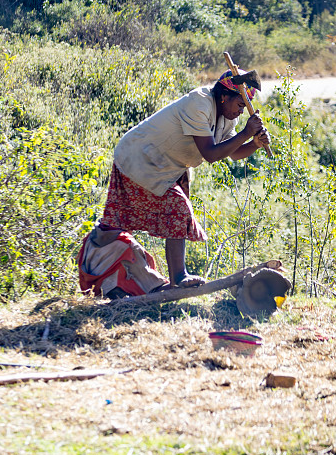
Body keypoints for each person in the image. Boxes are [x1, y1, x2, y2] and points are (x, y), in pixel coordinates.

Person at [98, 69, 270, 290]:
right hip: (140, 156)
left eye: (243, 109)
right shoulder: (199, 102)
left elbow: (232, 151)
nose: (240, 113)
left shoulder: (227, 118)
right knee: (175, 209)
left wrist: (253, 144)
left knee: (141, 219)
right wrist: (246, 134)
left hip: (166, 167)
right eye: (239, 106)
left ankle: (113, 277)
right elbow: (210, 154)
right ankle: (177, 278)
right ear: (224, 96)